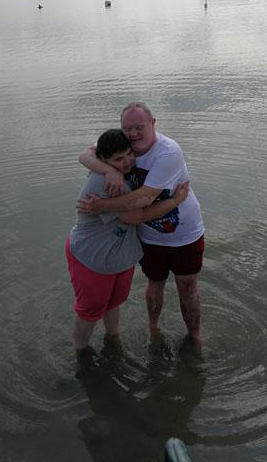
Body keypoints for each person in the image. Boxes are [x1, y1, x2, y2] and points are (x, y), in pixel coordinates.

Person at [77, 103, 205, 347]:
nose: (133, 133)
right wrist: (110, 171)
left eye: (139, 127)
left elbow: (144, 198)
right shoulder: (122, 145)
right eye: (128, 128)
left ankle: (195, 335)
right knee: (154, 284)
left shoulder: (168, 151)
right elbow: (85, 155)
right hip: (149, 236)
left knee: (188, 286)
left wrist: (101, 205)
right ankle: (153, 327)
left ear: (153, 123)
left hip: (185, 233)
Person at [67, 128, 189, 364]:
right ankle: (80, 356)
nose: (127, 162)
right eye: (118, 160)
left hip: (119, 256)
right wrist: (175, 201)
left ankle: (113, 341)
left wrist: (111, 169)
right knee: (89, 311)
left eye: (128, 154)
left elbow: (87, 153)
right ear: (104, 160)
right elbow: (137, 216)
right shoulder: (104, 183)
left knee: (113, 304)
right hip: (93, 257)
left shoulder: (120, 171)